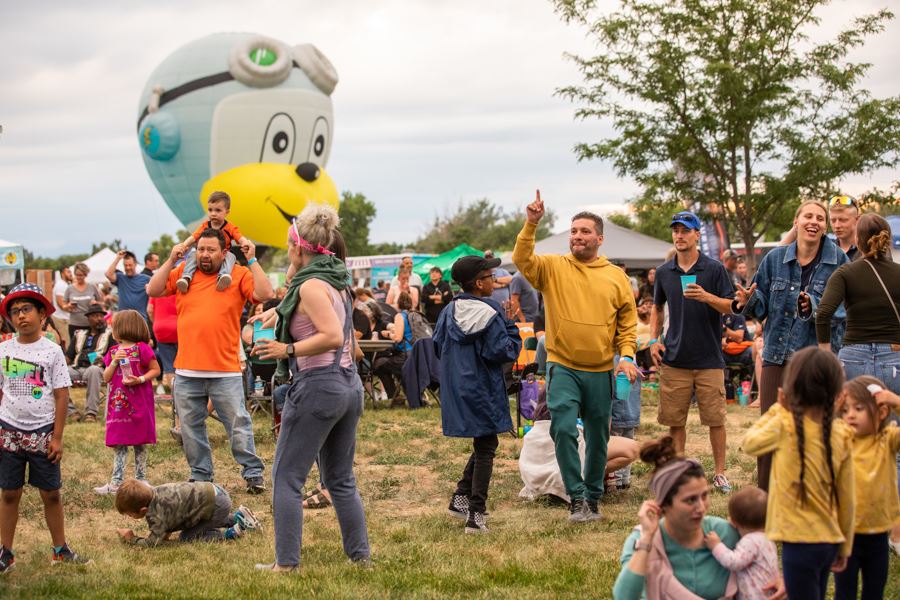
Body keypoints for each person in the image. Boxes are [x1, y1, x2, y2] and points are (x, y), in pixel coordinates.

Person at [252, 204, 370, 571]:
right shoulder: (334, 280)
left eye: (291, 247)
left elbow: (333, 337)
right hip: (347, 386)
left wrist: (285, 348)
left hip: (320, 387)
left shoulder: (312, 288)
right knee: (339, 479)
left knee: (286, 478)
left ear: (298, 249)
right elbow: (294, 286)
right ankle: (360, 557)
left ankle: (285, 564)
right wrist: (277, 311)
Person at [513, 190, 640, 522]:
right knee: (565, 428)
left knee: (598, 434)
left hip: (600, 369)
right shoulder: (553, 268)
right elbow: (522, 258)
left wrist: (627, 355)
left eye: (585, 232)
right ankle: (577, 498)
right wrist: (531, 223)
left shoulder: (616, 277)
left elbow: (628, 323)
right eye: (574, 231)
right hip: (562, 365)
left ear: (599, 238)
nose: (578, 237)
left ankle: (594, 497)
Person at [734, 200, 849, 491]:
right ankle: (766, 499)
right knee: (771, 427)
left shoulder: (839, 262)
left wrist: (813, 307)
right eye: (808, 216)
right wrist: (748, 301)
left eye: (820, 218)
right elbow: (762, 307)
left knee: (810, 432)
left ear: (825, 227)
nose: (814, 222)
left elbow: (846, 311)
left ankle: (807, 496)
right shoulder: (774, 259)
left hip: (814, 359)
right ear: (796, 222)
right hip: (775, 354)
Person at [148, 227, 273, 493]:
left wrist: (252, 259)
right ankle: (201, 474)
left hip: (224, 370)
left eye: (211, 250)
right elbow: (153, 288)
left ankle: (253, 474)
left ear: (223, 252)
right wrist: (171, 259)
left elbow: (265, 294)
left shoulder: (237, 275)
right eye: (201, 249)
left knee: (238, 424)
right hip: (187, 370)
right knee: (191, 428)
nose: (205, 255)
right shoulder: (184, 273)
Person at [742, 347, 854, 600]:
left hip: (798, 542)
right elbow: (848, 497)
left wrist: (779, 410)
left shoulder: (785, 424)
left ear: (790, 388)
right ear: (837, 392)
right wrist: (845, 544)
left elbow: (750, 443)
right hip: (830, 540)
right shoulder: (843, 434)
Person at [613, 436, 786, 600]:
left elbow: (762, 556)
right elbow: (624, 596)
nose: (701, 507)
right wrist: (646, 540)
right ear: (663, 504)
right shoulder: (642, 540)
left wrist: (780, 580)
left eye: (704, 496)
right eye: (690, 500)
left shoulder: (723, 533)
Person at [0, 283, 89, 572]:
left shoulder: (51, 352)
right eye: (14, 312)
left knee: (51, 493)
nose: (20, 316)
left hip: (43, 432)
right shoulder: (3, 350)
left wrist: (58, 437)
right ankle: (6, 552)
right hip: (9, 431)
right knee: (9, 493)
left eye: (26, 309)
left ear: (42, 314)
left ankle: (60, 549)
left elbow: (62, 394)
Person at [649, 211, 736, 493]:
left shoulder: (713, 269)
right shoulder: (664, 272)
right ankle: (677, 472)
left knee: (715, 420)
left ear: (697, 234)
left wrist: (706, 296)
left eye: (685, 230)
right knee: (675, 421)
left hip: (709, 357)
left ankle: (720, 473)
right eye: (675, 230)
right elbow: (656, 307)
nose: (679, 235)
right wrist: (653, 340)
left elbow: (730, 306)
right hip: (675, 358)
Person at [434, 255, 522, 533]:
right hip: (483, 387)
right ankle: (476, 512)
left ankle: (460, 497)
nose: (494, 283)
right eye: (490, 277)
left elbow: (437, 345)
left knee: (485, 441)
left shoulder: (448, 311)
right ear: (478, 282)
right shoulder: (492, 311)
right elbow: (503, 350)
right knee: (486, 447)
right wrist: (511, 326)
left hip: (456, 387)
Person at [832, 377, 899, 600]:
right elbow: (822, 429)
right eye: (846, 409)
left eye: (858, 408)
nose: (850, 414)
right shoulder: (842, 437)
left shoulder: (887, 439)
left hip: (878, 535)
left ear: (880, 413)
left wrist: (895, 401)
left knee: (874, 591)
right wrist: (834, 409)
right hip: (846, 535)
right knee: (845, 592)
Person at [816, 213, 899, 392]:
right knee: (893, 418)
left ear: (857, 240)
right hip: (894, 354)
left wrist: (825, 351)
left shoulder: (844, 273)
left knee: (854, 417)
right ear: (887, 239)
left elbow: (823, 313)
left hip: (853, 355)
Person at [93, 310, 160, 495]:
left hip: (139, 403)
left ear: (122, 328)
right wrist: (114, 362)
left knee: (140, 443)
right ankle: (116, 483)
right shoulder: (113, 351)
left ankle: (141, 480)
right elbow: (106, 377)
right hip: (119, 406)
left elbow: (155, 370)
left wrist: (139, 379)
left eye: (113, 326)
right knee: (119, 443)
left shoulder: (142, 348)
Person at [114, 479, 260, 546]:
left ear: (143, 510)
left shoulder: (155, 514)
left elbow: (153, 543)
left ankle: (231, 534)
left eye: (130, 514)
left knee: (187, 537)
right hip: (216, 491)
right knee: (204, 519)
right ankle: (238, 517)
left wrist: (131, 538)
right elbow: (175, 515)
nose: (130, 517)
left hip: (215, 505)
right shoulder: (155, 491)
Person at [704, 487, 780, 600]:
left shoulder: (750, 542)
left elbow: (734, 562)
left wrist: (716, 546)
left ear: (734, 522)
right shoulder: (767, 540)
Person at [173, 190, 255, 293]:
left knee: (231, 256)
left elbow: (240, 238)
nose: (213, 214)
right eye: (210, 210)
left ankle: (223, 276)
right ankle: (186, 277)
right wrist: (183, 246)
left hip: (223, 254)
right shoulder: (205, 225)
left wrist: (245, 243)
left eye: (218, 210)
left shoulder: (229, 227)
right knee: (193, 254)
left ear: (227, 212)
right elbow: (193, 237)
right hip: (207, 254)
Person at [65, 306, 112, 422]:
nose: (100, 319)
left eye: (101, 316)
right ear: (88, 319)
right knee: (58, 373)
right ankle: (71, 411)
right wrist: (57, 367)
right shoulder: (79, 335)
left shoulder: (109, 335)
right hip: (77, 368)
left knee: (94, 370)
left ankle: (91, 413)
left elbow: (114, 354)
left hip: (98, 369)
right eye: (96, 316)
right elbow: (69, 357)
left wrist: (104, 360)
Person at [373, 291, 414, 405]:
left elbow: (397, 338)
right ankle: (411, 395)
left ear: (398, 303)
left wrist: (388, 334)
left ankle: (395, 397)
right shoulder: (414, 314)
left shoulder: (399, 316)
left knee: (379, 366)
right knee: (392, 366)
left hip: (405, 356)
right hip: (416, 355)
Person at [61, 262, 103, 342]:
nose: (79, 277)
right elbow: (63, 305)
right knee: (75, 348)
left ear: (85, 275)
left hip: (90, 324)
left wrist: (95, 303)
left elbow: (101, 302)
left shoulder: (92, 287)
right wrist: (68, 306)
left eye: (81, 275)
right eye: (77, 275)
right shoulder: (70, 288)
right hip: (75, 323)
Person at [105, 250, 151, 320]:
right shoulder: (120, 278)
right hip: (123, 319)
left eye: (130, 265)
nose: (128, 268)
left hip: (140, 319)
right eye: (125, 265)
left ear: (135, 264)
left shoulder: (146, 279)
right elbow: (108, 274)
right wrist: (118, 258)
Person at [147, 293, 178, 393]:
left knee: (169, 366)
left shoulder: (157, 289)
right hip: (179, 327)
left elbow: (150, 310)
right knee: (183, 365)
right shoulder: (179, 287)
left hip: (161, 328)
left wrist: (155, 322)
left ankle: (175, 397)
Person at [52, 267, 73, 350]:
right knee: (66, 343)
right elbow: (61, 304)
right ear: (62, 273)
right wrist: (72, 307)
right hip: (61, 319)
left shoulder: (65, 284)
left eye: (70, 271)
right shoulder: (61, 285)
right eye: (68, 272)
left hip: (64, 318)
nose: (70, 274)